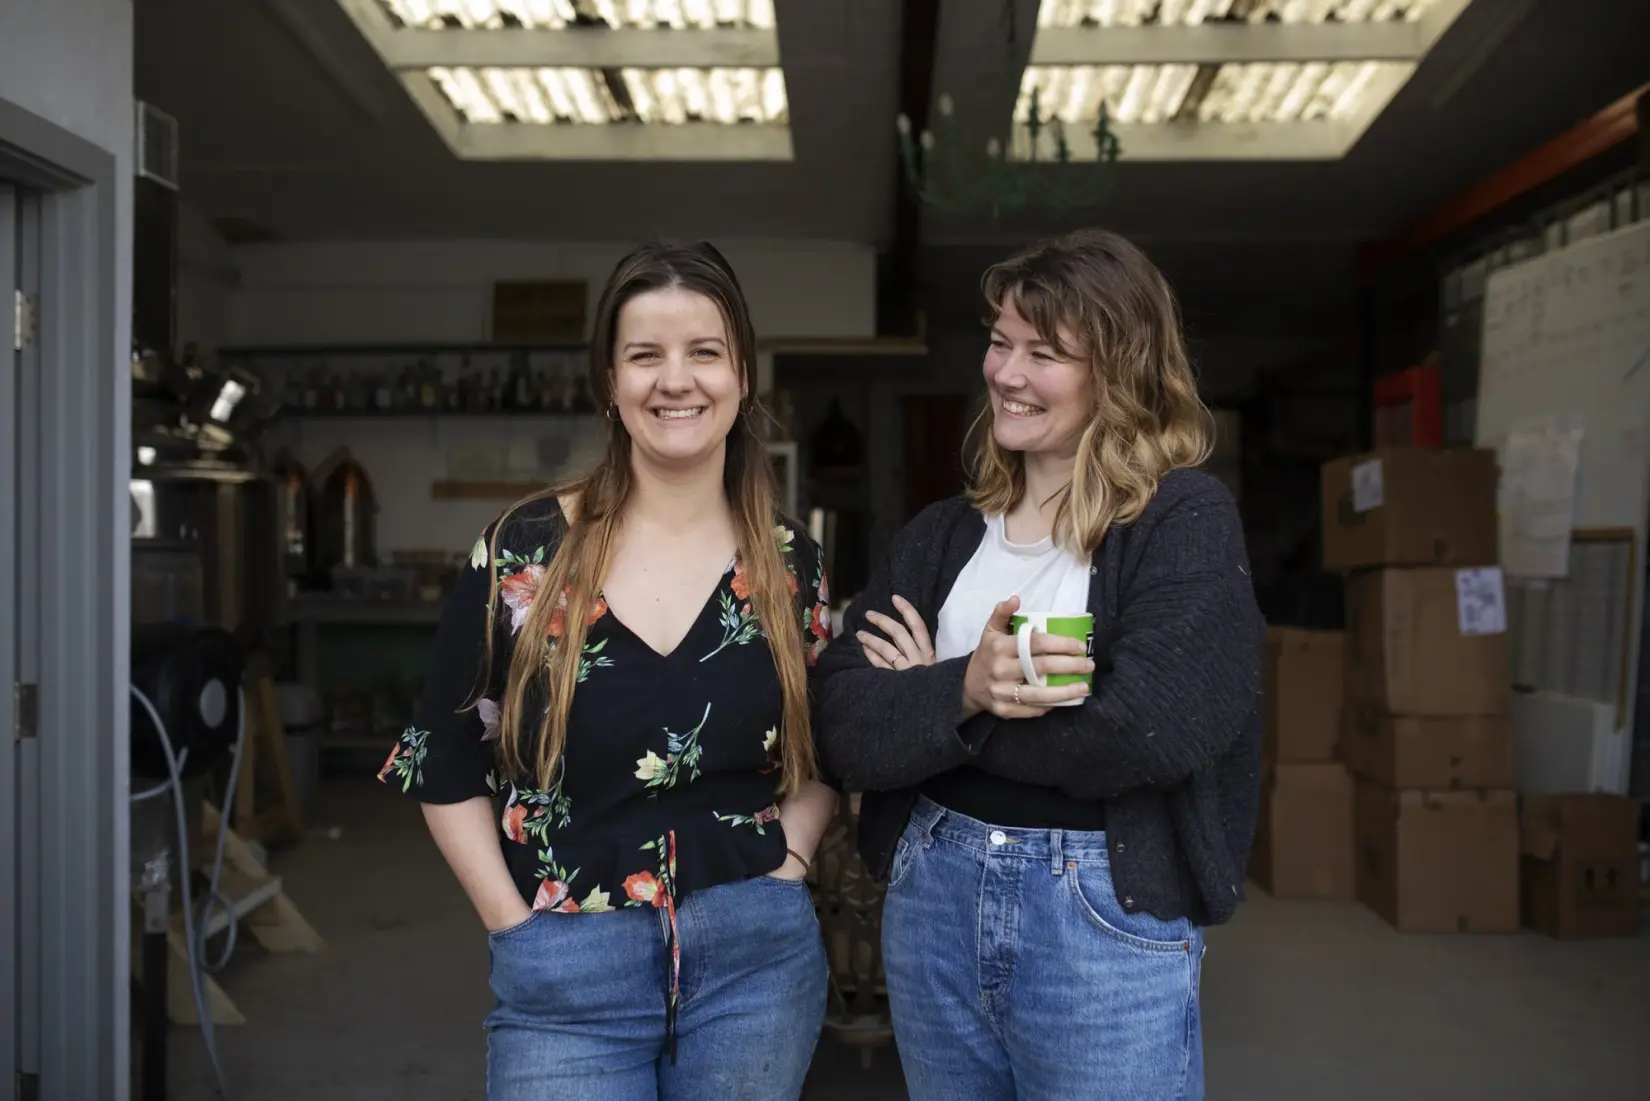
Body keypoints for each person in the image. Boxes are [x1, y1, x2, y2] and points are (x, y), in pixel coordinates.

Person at [812, 227, 1264, 1101]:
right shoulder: (945, 534)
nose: (1006, 374)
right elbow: (840, 721)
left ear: (1120, 372)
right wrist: (969, 685)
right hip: (931, 895)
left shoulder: (1182, 521)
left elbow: (1149, 727)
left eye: (1044, 352)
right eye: (999, 342)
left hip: (1099, 915)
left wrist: (942, 703)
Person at [379, 241, 837, 1101]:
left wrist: (792, 865)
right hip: (565, 972)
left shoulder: (789, 564)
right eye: (644, 355)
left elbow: (826, 750)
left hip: (755, 962)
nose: (676, 380)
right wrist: (513, 929)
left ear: (741, 374)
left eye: (704, 351)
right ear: (609, 381)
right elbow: (441, 761)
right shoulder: (521, 554)